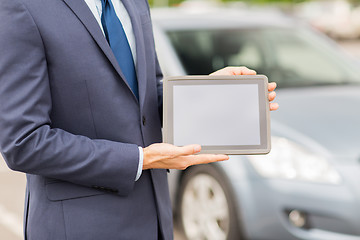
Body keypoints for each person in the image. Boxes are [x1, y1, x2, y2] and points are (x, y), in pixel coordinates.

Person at [0, 0, 278, 239]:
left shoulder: (134, 3)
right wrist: (141, 159)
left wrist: (206, 93)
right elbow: (24, 142)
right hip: (81, 226)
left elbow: (146, 91)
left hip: (155, 220)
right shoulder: (21, 7)